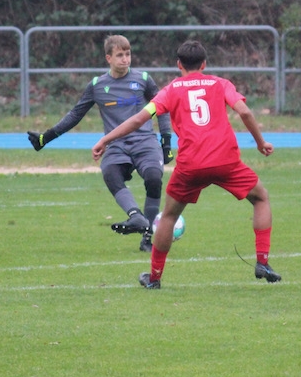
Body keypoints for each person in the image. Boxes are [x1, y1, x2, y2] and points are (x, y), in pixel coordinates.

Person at [92, 39, 280, 289]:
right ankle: (263, 262)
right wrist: (260, 142)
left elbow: (138, 120)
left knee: (169, 216)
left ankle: (154, 278)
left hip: (191, 164)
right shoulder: (220, 83)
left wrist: (105, 139)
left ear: (179, 64)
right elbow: (244, 112)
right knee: (261, 198)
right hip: (225, 160)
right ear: (204, 64)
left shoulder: (170, 90)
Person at [27, 35, 173, 252]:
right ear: (108, 58)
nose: (125, 59)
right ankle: (136, 216)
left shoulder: (143, 79)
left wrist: (166, 141)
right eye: (120, 55)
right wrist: (45, 138)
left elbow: (162, 108)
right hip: (116, 145)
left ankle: (147, 238)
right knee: (110, 173)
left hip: (145, 142)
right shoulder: (97, 85)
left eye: (128, 54)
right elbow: (75, 115)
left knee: (153, 178)